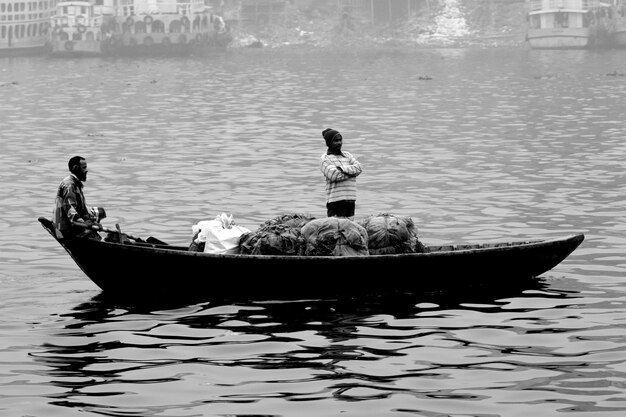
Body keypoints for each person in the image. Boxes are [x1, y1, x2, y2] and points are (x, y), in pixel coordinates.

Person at [52, 156, 104, 239]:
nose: (86, 170)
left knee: (100, 212)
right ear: (76, 168)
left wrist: (92, 221)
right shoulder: (69, 184)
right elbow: (70, 209)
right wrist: (84, 224)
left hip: (75, 225)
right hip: (66, 228)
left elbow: (82, 210)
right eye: (84, 168)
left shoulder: (76, 184)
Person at [320, 128, 362, 218]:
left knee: (350, 229)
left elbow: (359, 168)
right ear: (329, 142)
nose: (339, 143)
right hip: (335, 201)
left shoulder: (347, 155)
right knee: (335, 230)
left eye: (340, 140)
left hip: (350, 200)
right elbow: (335, 176)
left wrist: (341, 169)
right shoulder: (325, 159)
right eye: (335, 140)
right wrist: (351, 173)